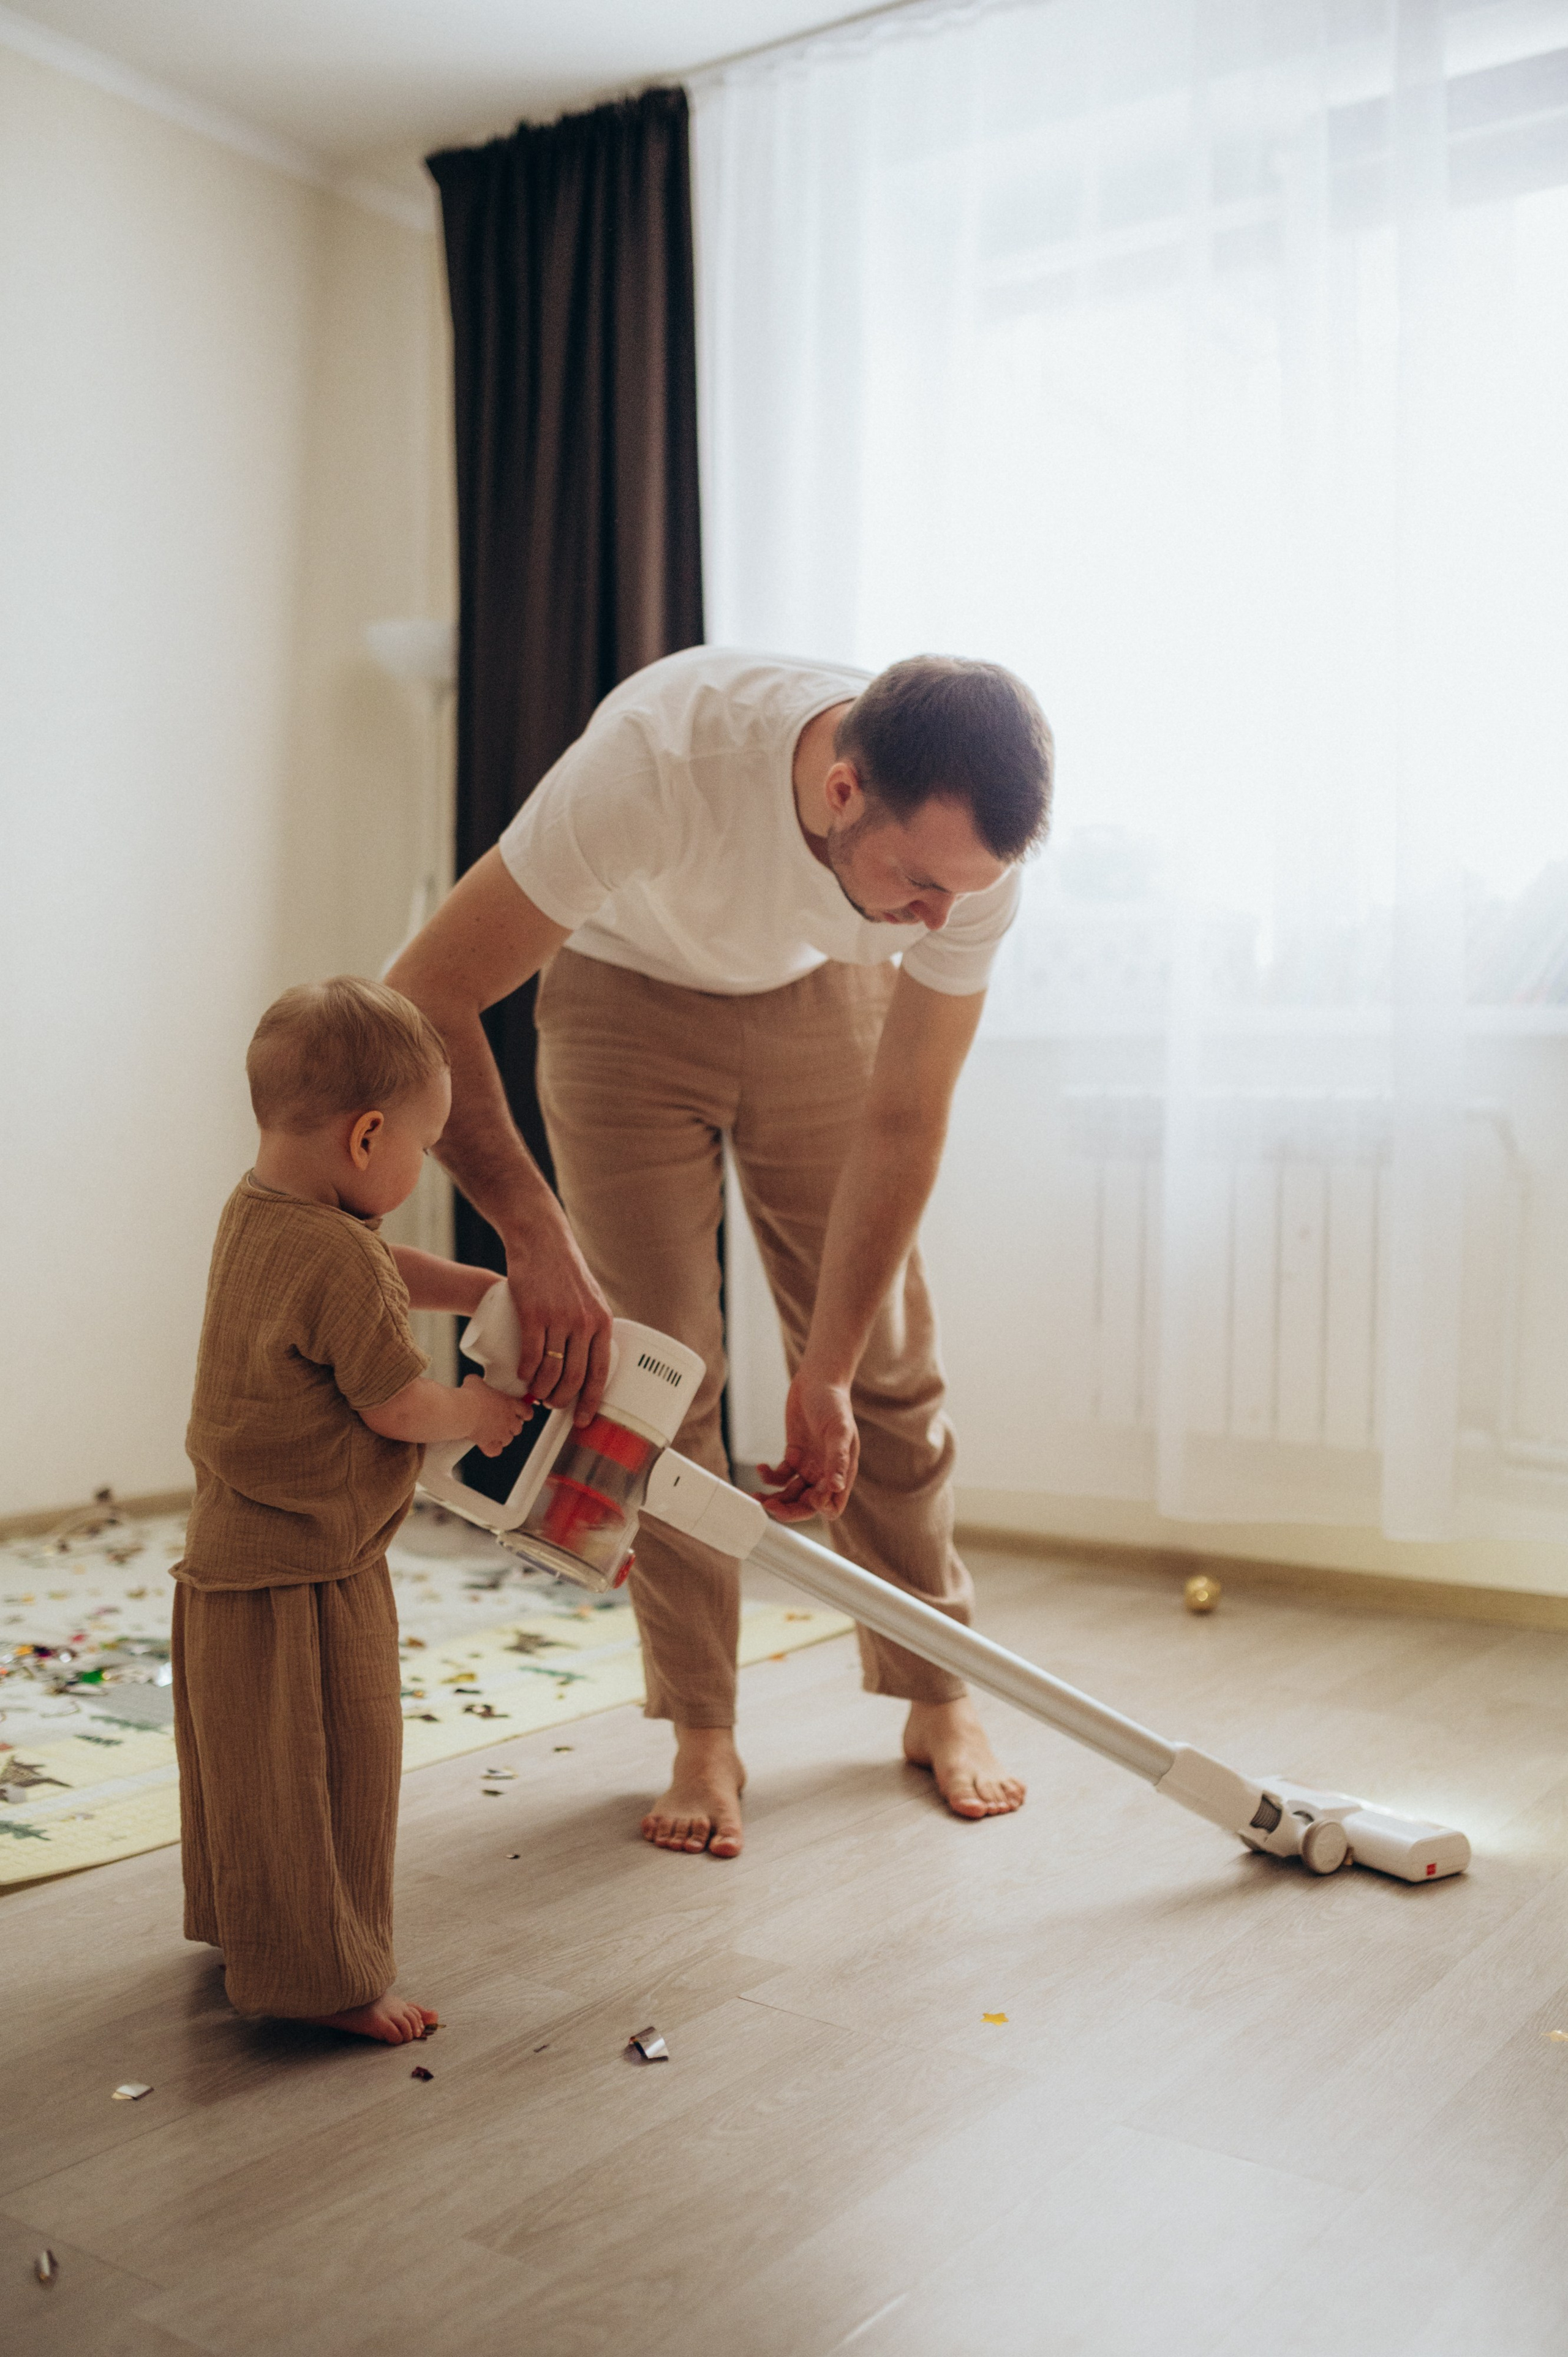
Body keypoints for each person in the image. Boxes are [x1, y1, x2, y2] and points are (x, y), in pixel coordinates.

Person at [388, 649, 1054, 1859]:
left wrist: (830, 1369)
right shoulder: (656, 763)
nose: (936, 921)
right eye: (917, 883)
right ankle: (703, 1727)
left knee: (889, 1361)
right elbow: (421, 993)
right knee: (662, 1374)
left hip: (812, 1001)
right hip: (621, 996)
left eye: (960, 892)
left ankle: (937, 1692)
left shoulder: (956, 878)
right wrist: (532, 1236)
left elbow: (905, 1118)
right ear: (844, 790)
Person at [172, 976, 527, 2040]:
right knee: (331, 1776)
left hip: (226, 1553)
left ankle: (249, 1926)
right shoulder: (336, 1251)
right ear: (368, 1136)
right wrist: (477, 1411)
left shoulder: (264, 1209)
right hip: (310, 1570)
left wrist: (472, 1287)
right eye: (421, 1149)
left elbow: (373, 1272)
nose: (421, 1170)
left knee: (246, 1766)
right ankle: (327, 1981)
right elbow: (393, 1404)